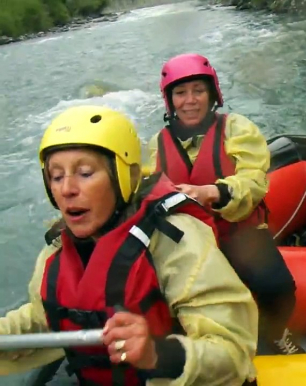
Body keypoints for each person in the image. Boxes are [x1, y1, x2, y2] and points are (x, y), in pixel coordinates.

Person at [0, 105, 258, 386]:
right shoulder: (57, 253)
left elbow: (234, 352)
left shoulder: (177, 240)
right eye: (56, 176)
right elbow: (42, 317)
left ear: (127, 176)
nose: (67, 189)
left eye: (85, 173)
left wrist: (156, 354)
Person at [147, 53, 304, 355]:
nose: (190, 100)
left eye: (198, 91)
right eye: (180, 93)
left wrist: (214, 192)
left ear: (212, 94)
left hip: (237, 231)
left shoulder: (237, 129)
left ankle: (274, 332)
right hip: (186, 242)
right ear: (170, 100)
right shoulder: (156, 145)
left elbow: (254, 179)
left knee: (277, 287)